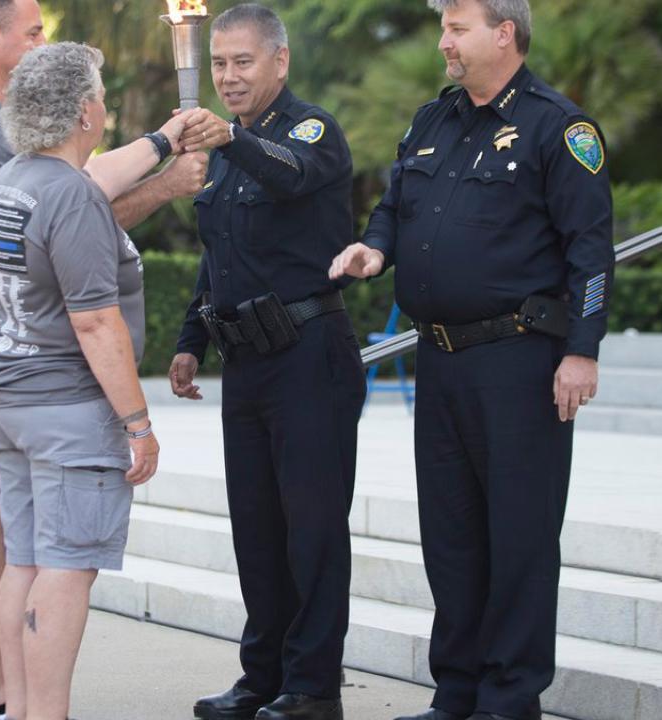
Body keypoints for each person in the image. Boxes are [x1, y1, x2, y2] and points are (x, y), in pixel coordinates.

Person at [328, 1, 615, 719]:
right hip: (444, 360)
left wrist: (581, 352)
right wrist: (376, 246)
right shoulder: (433, 120)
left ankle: (510, 698)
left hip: (521, 364)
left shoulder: (561, 127)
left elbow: (592, 253)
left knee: (519, 538)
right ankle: (456, 693)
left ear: (504, 33)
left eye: (456, 28)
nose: (443, 42)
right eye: (444, 27)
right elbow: (394, 203)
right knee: (450, 536)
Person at [0, 3, 206, 718]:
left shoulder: (16, 179)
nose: (105, 110)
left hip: (6, 399)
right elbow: (95, 321)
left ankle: (19, 709)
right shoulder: (68, 193)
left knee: (26, 561)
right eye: (101, 100)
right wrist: (137, 423)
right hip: (65, 409)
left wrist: (164, 146)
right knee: (67, 571)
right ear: (83, 113)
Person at [169, 5, 364, 720]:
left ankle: (313, 687)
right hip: (245, 363)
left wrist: (230, 141)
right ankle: (263, 678)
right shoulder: (225, 149)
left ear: (279, 62)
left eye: (242, 62)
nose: (228, 77)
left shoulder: (309, 131)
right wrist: (192, 339)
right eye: (219, 64)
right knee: (256, 529)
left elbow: (288, 175)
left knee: (311, 529)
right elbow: (217, 255)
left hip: (309, 355)